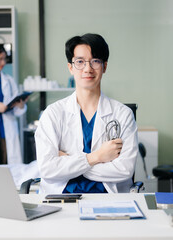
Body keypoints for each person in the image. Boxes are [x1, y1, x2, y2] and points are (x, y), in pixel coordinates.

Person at [35, 33, 138, 194]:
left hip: (109, 199)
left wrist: (68, 160)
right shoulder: (53, 114)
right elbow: (47, 169)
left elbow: (125, 170)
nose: (87, 69)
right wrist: (97, 157)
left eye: (95, 61)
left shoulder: (123, 114)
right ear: (70, 67)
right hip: (60, 198)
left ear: (104, 66)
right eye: (80, 62)